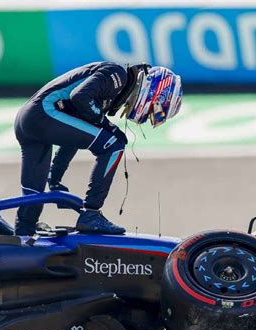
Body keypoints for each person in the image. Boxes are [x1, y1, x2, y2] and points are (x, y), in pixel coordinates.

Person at [14, 61, 182, 236]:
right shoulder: (118, 75)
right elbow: (79, 96)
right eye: (156, 110)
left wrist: (54, 178)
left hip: (30, 119)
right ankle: (91, 214)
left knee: (33, 193)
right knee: (114, 144)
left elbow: (73, 131)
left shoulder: (117, 87)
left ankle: (23, 233)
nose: (149, 117)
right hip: (42, 114)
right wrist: (106, 125)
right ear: (155, 92)